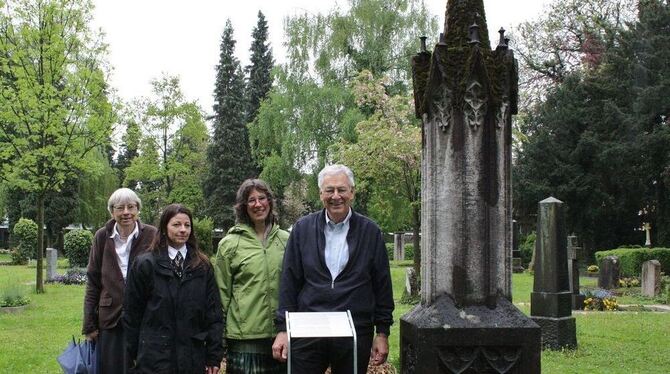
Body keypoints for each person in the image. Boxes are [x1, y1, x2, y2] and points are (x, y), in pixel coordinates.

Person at [272, 164, 395, 373]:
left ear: (352, 193)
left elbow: (382, 284)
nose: (336, 196)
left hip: (354, 329)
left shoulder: (370, 232)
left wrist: (382, 333)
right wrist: (283, 329)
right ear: (321, 194)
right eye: (329, 190)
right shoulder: (302, 229)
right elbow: (289, 281)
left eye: (342, 189)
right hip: (308, 327)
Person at [123, 204, 224, 374]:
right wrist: (135, 353)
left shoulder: (202, 266)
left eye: (187, 225)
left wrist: (213, 355)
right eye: (176, 225)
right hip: (154, 358)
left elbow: (213, 314)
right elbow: (132, 314)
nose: (183, 230)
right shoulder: (145, 264)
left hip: (192, 357)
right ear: (164, 227)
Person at [213, 179, 289, 373]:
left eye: (262, 198)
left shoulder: (287, 240)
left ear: (270, 201)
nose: (258, 204)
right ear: (243, 207)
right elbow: (221, 295)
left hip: (282, 337)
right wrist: (217, 341)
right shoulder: (229, 244)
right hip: (244, 340)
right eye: (251, 200)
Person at [82, 188, 157, 374]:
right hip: (110, 318)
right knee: (111, 368)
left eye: (131, 207)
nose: (126, 212)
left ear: (138, 209)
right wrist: (89, 324)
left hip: (144, 317)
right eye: (120, 208)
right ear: (112, 211)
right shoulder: (101, 236)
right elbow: (93, 282)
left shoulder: (152, 235)